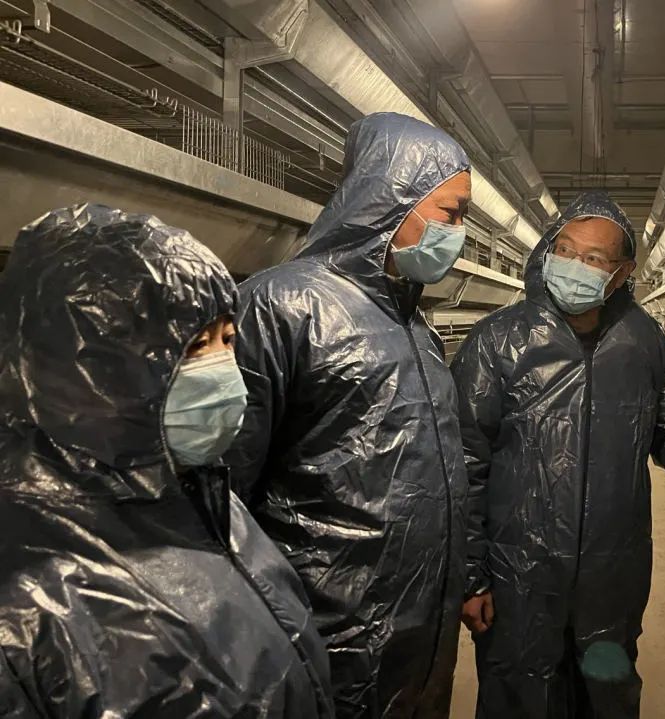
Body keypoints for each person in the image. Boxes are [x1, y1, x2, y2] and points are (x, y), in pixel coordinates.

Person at [0, 204, 334, 718]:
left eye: (227, 339)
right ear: (99, 367)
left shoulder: (198, 491)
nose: (225, 371)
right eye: (195, 346)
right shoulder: (25, 601)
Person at [450, 190, 665, 718]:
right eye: (565, 250)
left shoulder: (645, 343)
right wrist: (471, 576)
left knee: (606, 693)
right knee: (519, 695)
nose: (573, 265)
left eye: (593, 258)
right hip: (520, 574)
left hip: (612, 577)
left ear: (621, 274)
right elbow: (463, 463)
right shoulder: (498, 342)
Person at [226, 112, 471, 718]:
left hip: (421, 636)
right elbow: (221, 489)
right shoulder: (281, 305)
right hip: (326, 634)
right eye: (451, 213)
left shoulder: (416, 328)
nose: (459, 234)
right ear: (391, 199)